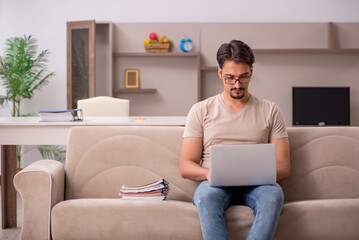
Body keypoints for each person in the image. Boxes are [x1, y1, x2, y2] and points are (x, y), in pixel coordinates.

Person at [179, 40, 291, 240]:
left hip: (260, 185)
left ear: (252, 72)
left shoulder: (271, 110)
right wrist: (208, 173)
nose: (237, 85)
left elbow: (283, 166)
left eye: (243, 77)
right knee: (205, 197)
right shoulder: (201, 110)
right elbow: (186, 165)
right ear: (220, 73)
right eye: (230, 78)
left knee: (273, 195)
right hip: (215, 184)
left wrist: (258, 173)